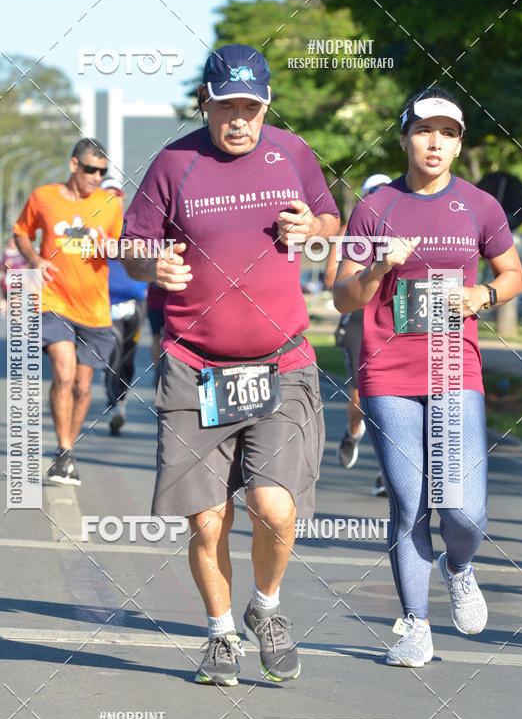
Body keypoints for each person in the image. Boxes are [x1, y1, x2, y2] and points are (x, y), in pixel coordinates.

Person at [122, 44, 340, 685]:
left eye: (251, 107)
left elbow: (331, 217)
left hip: (283, 363)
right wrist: (148, 266)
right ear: (205, 103)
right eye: (227, 107)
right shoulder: (174, 163)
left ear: (266, 106)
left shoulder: (292, 153)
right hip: (195, 368)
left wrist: (316, 227)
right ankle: (220, 633)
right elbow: (134, 244)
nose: (239, 119)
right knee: (207, 515)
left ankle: (266, 608)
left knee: (273, 507)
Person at [333, 87, 522, 667]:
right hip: (389, 368)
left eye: (448, 132)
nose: (435, 142)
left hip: (453, 364)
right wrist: (381, 266)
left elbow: (512, 274)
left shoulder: (480, 207)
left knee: (464, 510)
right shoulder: (376, 208)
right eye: (424, 130)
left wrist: (481, 295)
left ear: (458, 141)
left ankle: (459, 566)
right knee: (410, 501)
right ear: (405, 138)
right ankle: (414, 625)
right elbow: (343, 296)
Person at [13, 139, 123, 486]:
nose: (96, 177)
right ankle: (62, 450)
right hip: (52, 301)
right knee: (63, 371)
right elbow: (21, 232)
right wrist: (34, 260)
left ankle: (68, 450)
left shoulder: (109, 203)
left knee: (82, 384)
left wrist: (113, 247)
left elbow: (122, 246)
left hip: (94, 309)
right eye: (91, 169)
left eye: (103, 172)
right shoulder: (44, 197)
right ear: (74, 164)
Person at [324, 174, 391, 495]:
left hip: (392, 318)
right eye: (373, 193)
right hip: (357, 320)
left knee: (392, 399)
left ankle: (386, 473)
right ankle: (353, 431)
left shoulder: (404, 223)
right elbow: (329, 281)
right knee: (360, 400)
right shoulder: (352, 230)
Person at [100, 175, 147, 435]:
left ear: (123, 197)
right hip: (105, 301)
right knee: (112, 352)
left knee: (127, 355)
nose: (113, 199)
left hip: (135, 302)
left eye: (116, 194)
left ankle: (121, 400)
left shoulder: (135, 223)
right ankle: (114, 402)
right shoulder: (90, 225)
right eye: (107, 195)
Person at [0, 235, 27, 317]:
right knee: (5, 297)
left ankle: (16, 317)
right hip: (7, 281)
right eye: (11, 242)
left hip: (19, 281)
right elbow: (0, 267)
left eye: (14, 242)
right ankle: (5, 311)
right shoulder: (6, 253)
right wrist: (6, 265)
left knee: (16, 299)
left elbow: (29, 264)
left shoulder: (22, 253)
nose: (12, 243)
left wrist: (24, 268)